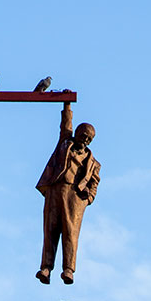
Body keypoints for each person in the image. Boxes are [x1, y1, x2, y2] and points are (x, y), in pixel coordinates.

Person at [35, 101, 100, 284]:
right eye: (83, 136)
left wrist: (88, 198)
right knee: (50, 229)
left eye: (89, 139)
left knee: (71, 233)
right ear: (77, 134)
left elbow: (94, 183)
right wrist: (67, 105)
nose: (85, 140)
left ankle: (68, 270)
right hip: (56, 189)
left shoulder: (94, 164)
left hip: (75, 197)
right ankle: (46, 268)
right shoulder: (65, 143)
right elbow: (66, 126)